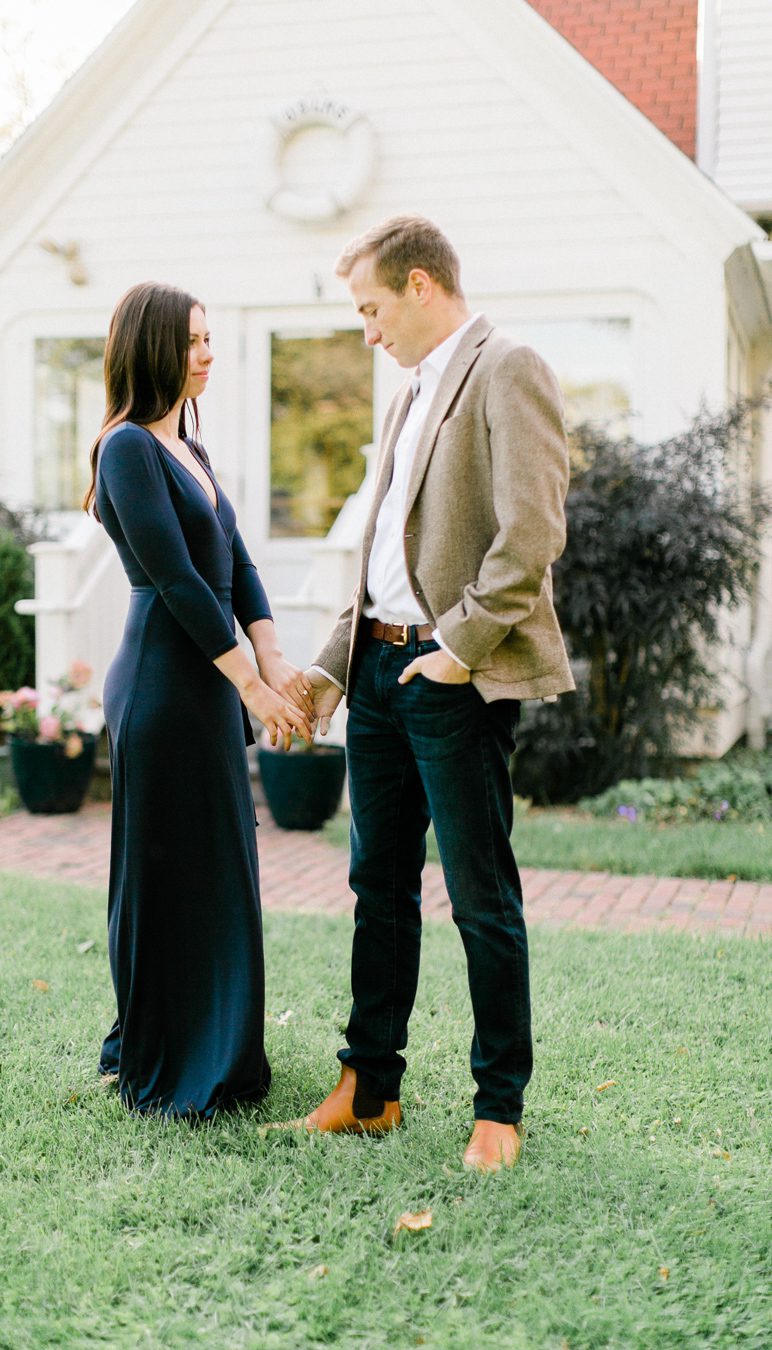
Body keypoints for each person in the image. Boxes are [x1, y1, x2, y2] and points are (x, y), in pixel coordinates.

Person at [288, 216, 575, 1170]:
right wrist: (333, 665)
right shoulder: (409, 395)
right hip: (377, 672)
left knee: (481, 897)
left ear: (420, 285)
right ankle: (371, 1088)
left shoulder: (508, 367)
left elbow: (530, 535)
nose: (366, 330)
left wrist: (456, 649)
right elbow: (382, 558)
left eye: (371, 308)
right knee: (378, 886)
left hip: (454, 676)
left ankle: (500, 1107)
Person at [83, 281, 313, 1119]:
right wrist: (248, 683)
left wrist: (275, 660)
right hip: (163, 685)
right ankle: (165, 1055)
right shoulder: (126, 450)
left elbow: (237, 561)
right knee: (167, 872)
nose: (208, 353)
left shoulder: (192, 447)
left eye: (210, 339)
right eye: (192, 341)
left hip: (212, 685)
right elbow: (178, 580)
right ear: (151, 348)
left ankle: (225, 1049)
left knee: (221, 871)